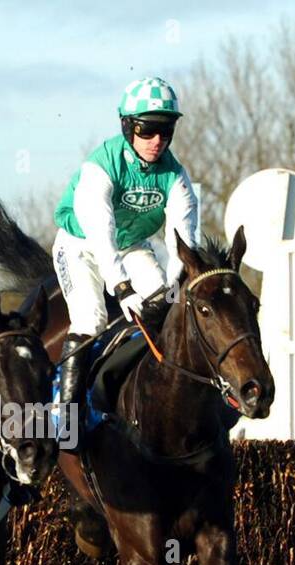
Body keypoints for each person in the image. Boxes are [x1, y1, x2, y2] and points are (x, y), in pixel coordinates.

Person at [51, 76, 201, 445]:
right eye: (148, 129)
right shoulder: (100, 166)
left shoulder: (175, 175)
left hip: (131, 246)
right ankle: (65, 415)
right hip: (80, 246)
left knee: (165, 309)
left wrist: (177, 286)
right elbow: (101, 235)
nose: (157, 140)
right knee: (92, 317)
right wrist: (121, 288)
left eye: (166, 130)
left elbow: (182, 239)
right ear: (127, 126)